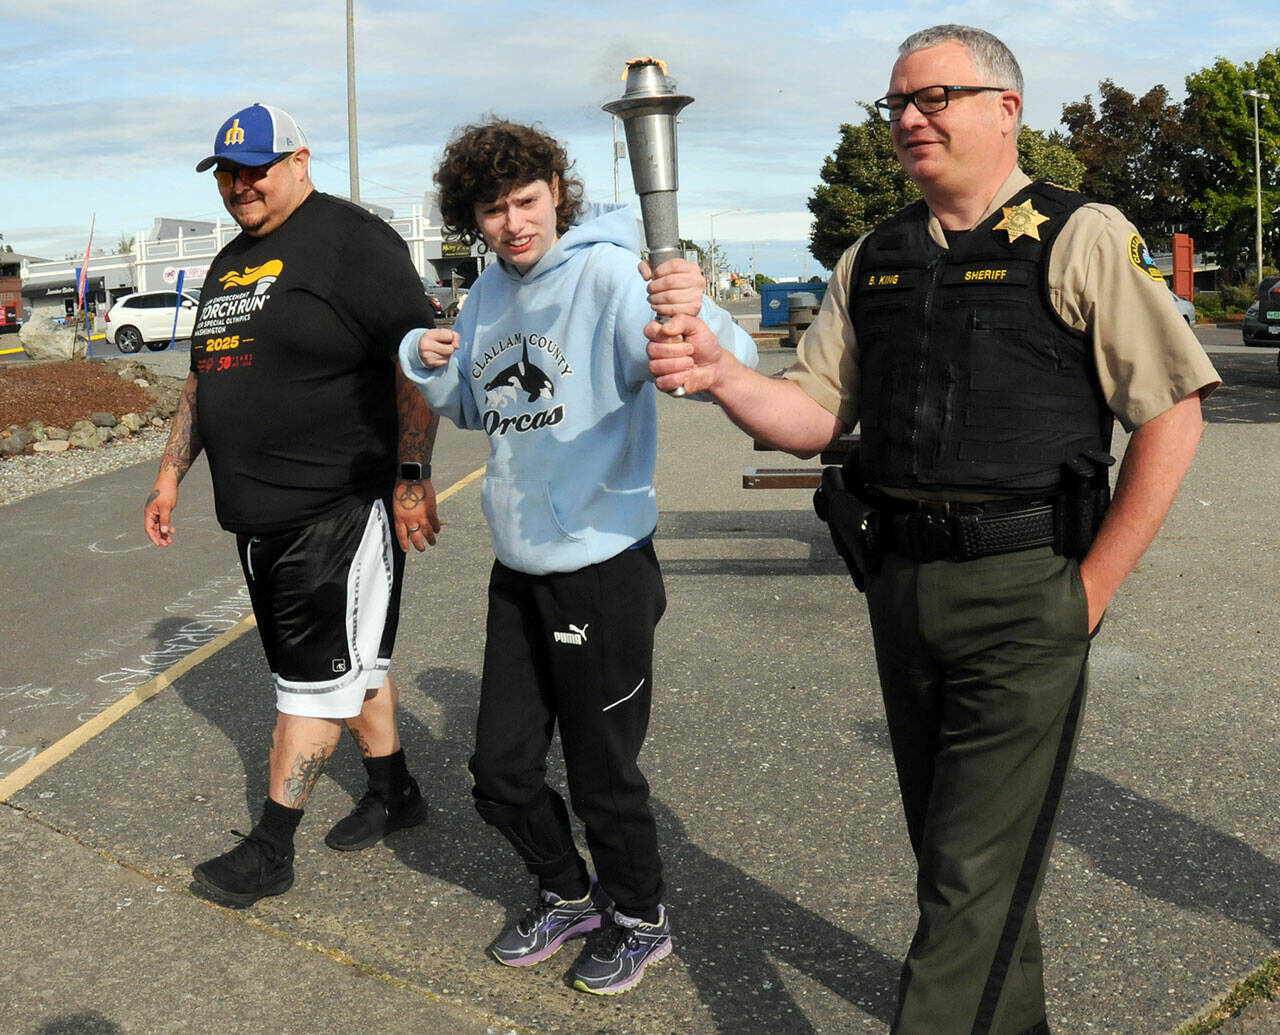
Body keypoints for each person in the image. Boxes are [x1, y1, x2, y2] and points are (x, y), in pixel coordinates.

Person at [646, 25, 1219, 1035]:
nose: (910, 118)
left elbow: (1171, 412)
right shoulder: (874, 258)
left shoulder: (1078, 234)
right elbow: (816, 419)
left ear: (1005, 109)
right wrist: (723, 375)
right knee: (958, 857)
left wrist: (1089, 590)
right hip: (901, 586)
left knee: (964, 882)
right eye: (897, 103)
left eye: (935, 97)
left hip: (1024, 590)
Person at [398, 119, 758, 995]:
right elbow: (477, 408)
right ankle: (568, 893)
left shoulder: (606, 271)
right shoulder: (486, 293)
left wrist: (691, 310)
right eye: (493, 210)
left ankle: (641, 917)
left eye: (526, 201)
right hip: (519, 567)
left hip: (602, 564)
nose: (514, 222)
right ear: (471, 218)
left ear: (556, 190)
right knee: (498, 771)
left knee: (603, 771)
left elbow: (727, 358)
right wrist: (424, 357)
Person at [143, 103, 442, 907]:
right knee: (354, 667)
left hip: (338, 506)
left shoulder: (352, 241)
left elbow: (416, 360)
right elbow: (206, 377)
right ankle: (397, 791)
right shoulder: (229, 263)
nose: (241, 185)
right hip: (256, 517)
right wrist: (172, 473)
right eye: (228, 174)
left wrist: (412, 472)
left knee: (308, 689)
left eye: (257, 169)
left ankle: (271, 848)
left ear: (301, 161)